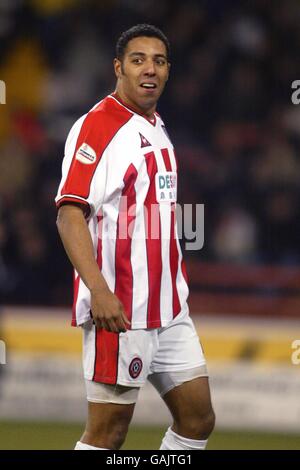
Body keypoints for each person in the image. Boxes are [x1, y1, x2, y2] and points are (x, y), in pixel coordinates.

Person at [55, 23, 215, 451]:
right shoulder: (99, 127)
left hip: (169, 308)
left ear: (168, 71)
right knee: (108, 434)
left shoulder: (156, 125)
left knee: (198, 420)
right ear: (118, 68)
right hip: (121, 309)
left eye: (159, 61)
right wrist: (99, 291)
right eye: (138, 59)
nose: (150, 69)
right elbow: (70, 214)